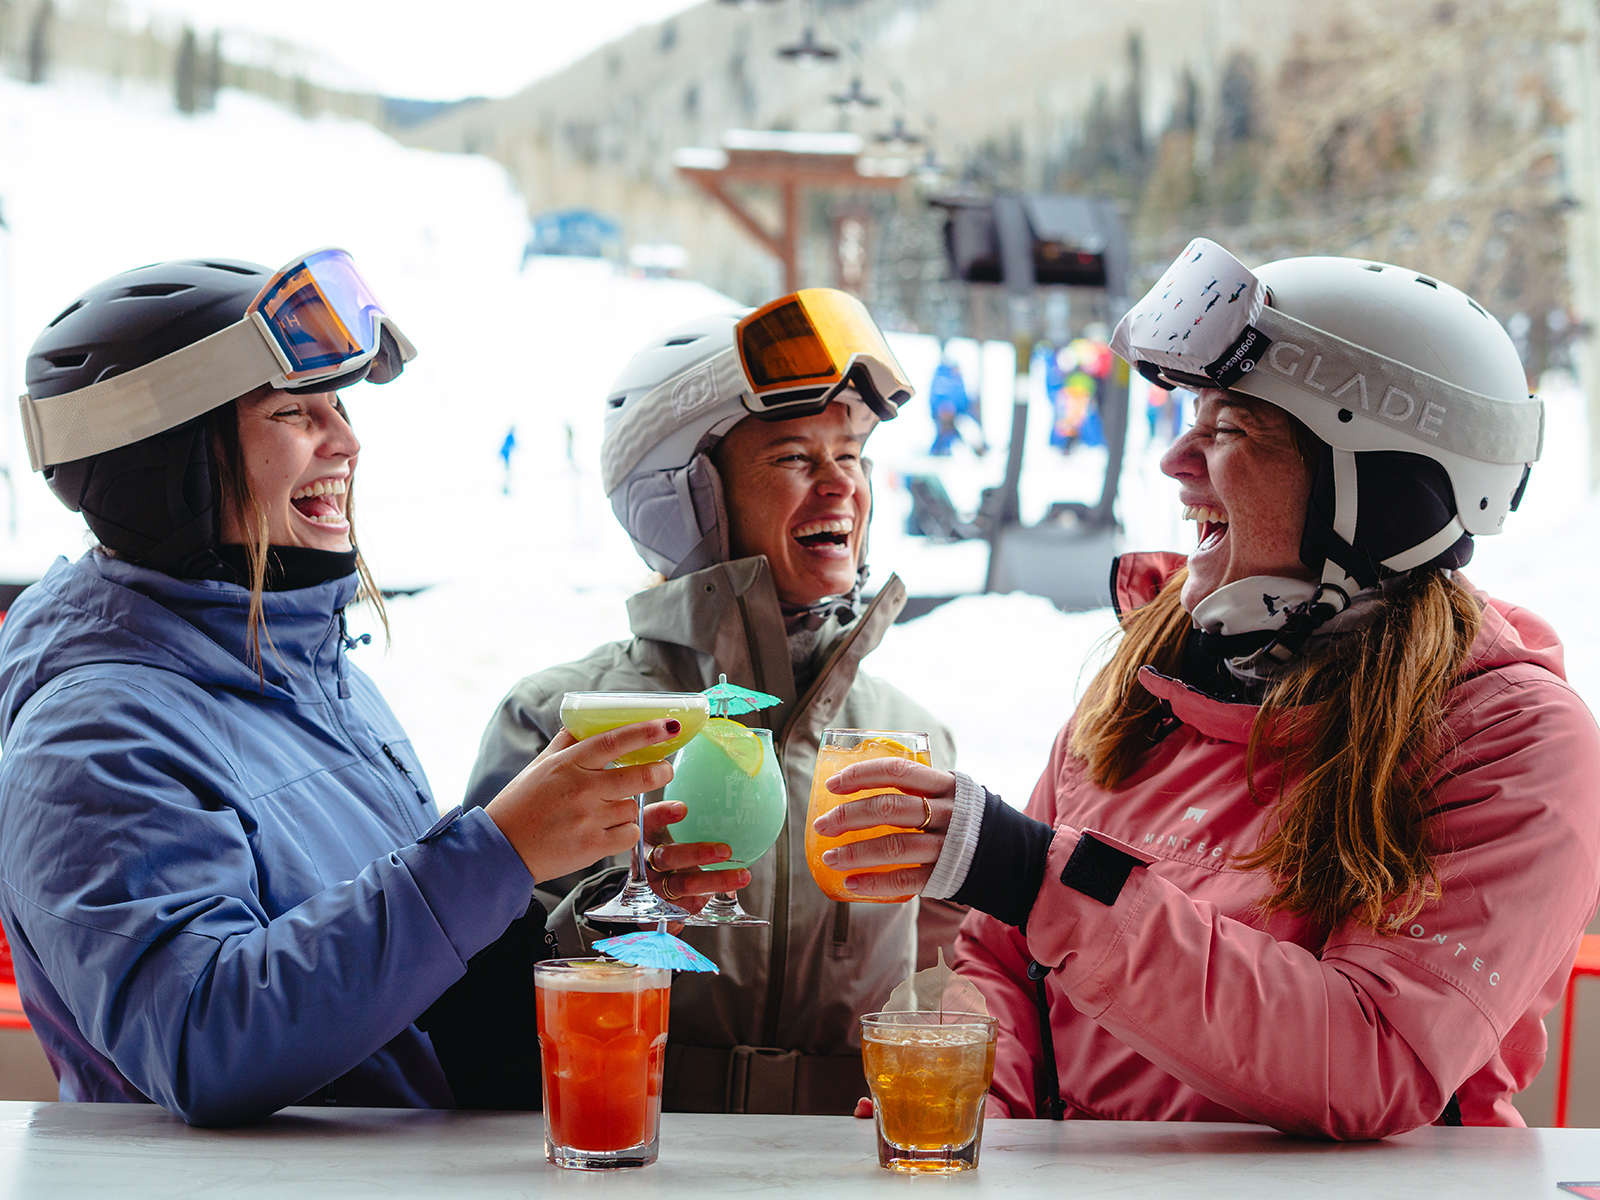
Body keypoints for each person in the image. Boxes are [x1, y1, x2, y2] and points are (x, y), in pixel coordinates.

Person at [810, 241, 1600, 1137]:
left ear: (1371, 490)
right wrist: (965, 1106)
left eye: (1228, 428)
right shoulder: (1153, 684)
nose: (1176, 461)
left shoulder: (1513, 741)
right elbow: (1004, 964)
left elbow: (1375, 1057)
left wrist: (1032, 871)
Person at [0, 251, 678, 1125]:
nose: (347, 440)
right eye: (294, 412)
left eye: (339, 406)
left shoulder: (318, 676)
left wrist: (584, 906)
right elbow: (204, 1039)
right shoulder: (93, 735)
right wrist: (497, 850)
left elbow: (403, 996)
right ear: (167, 467)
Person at [464, 288, 960, 1116]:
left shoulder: (910, 735)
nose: (841, 486)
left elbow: (955, 980)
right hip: (639, 1158)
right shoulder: (561, 720)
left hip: (844, 1175)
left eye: (853, 455)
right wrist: (617, 926)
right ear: (683, 499)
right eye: (796, 458)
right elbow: (473, 1003)